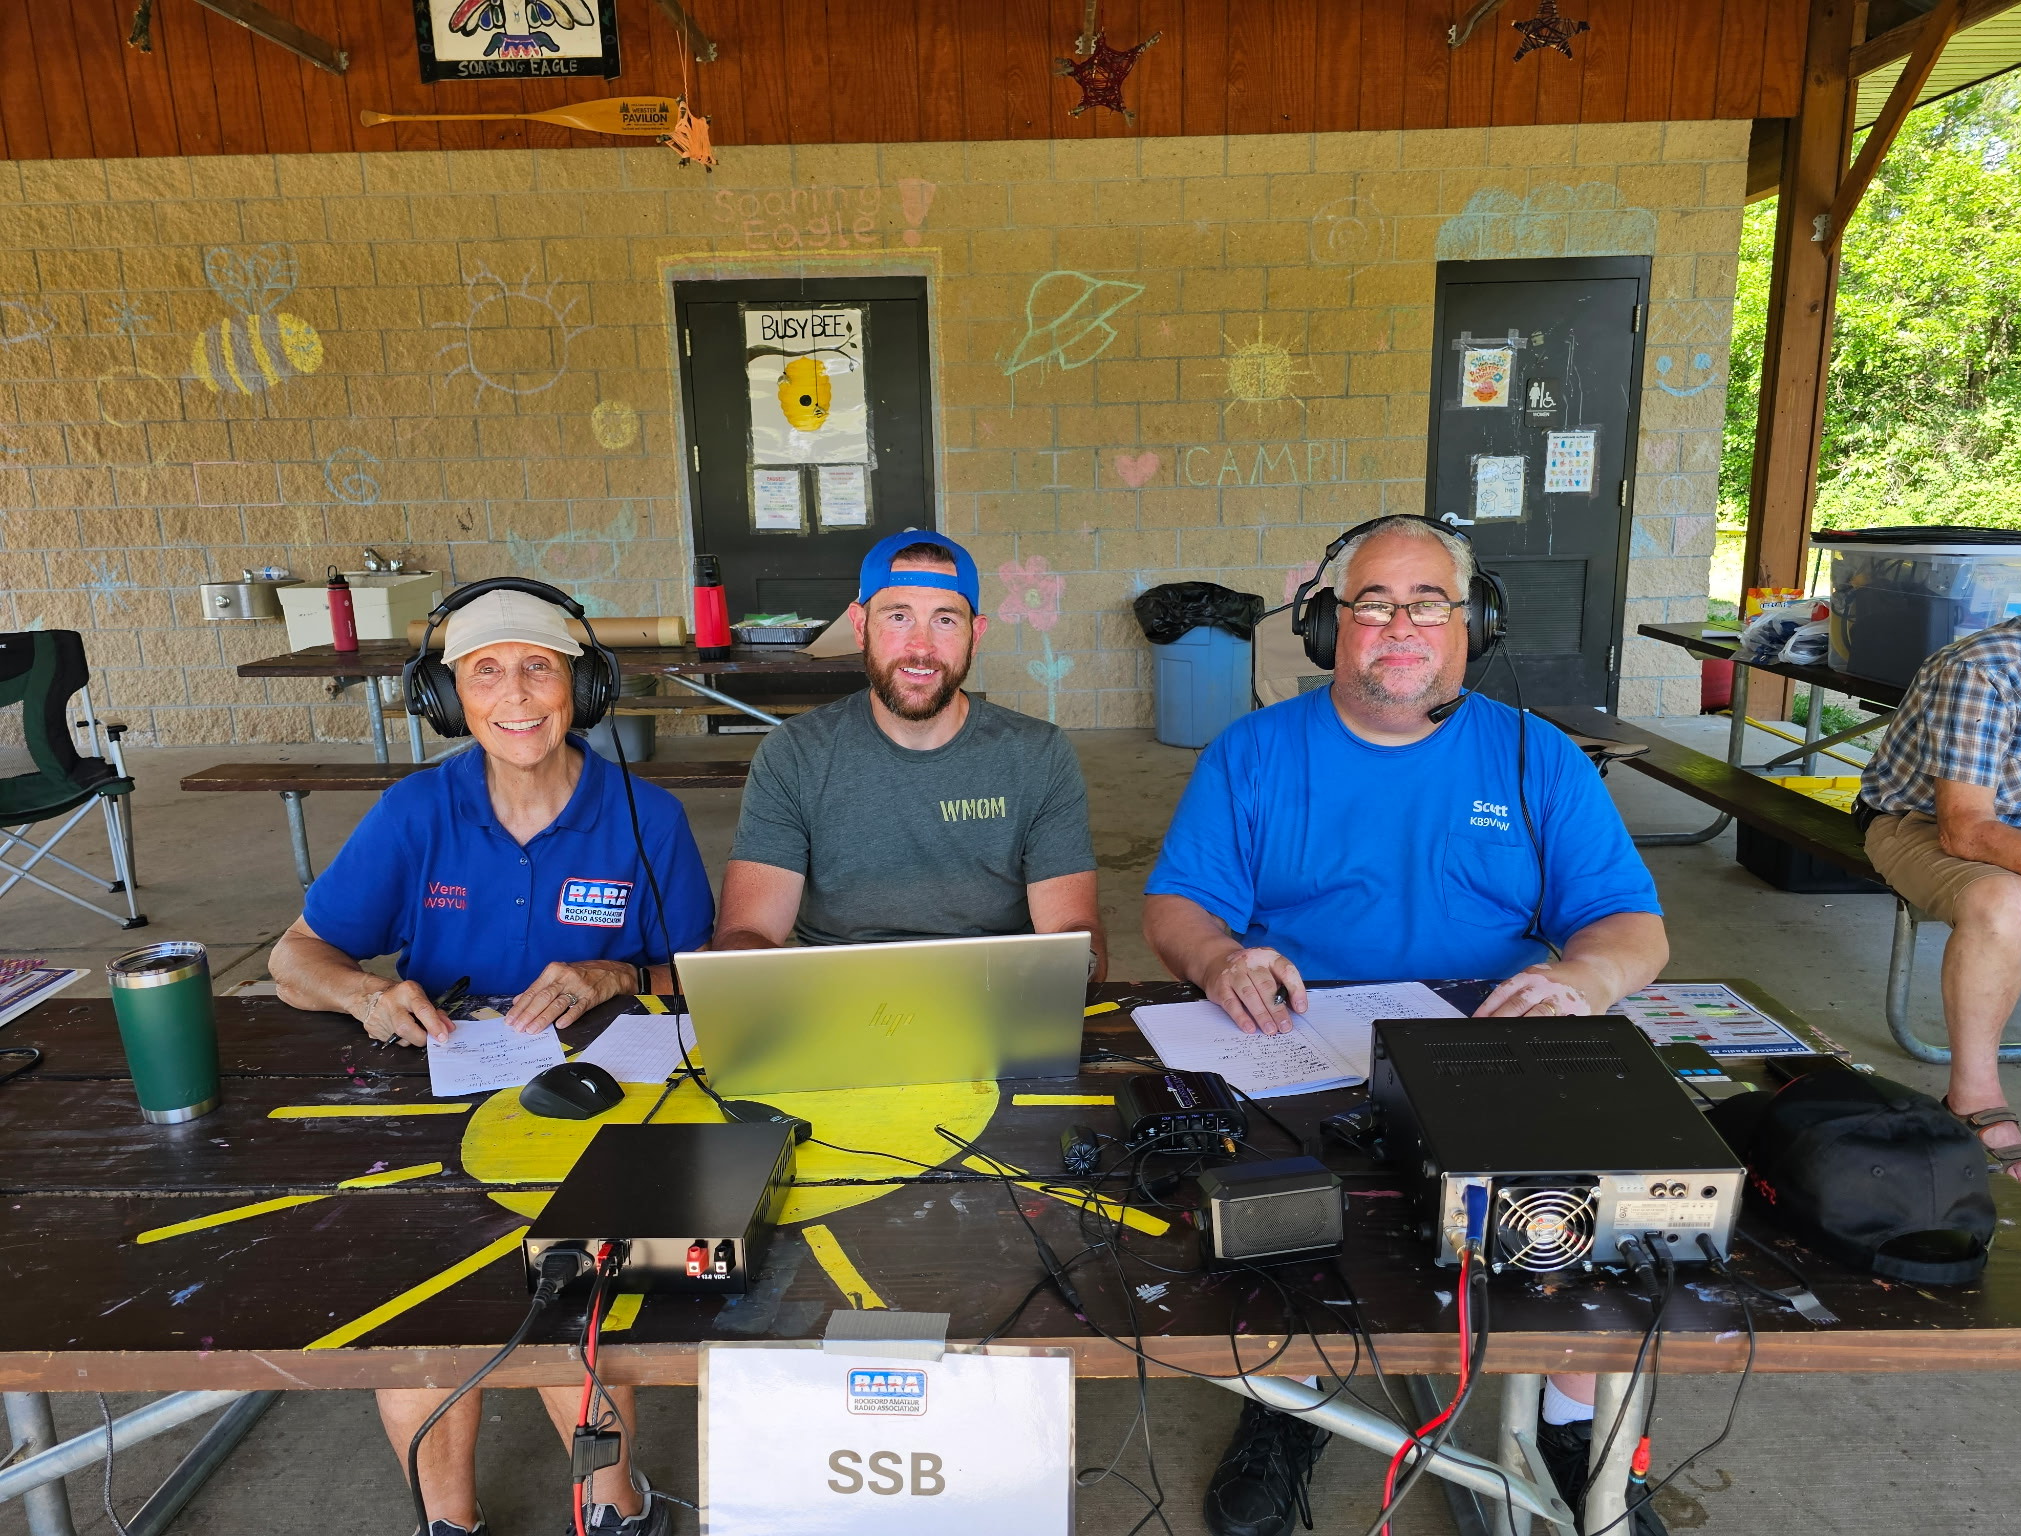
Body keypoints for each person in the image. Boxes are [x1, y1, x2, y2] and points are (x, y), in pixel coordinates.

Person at [1141, 516, 1668, 1536]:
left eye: (1428, 603)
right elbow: (1178, 906)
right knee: (1262, 1212)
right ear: (1325, 627)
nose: (1400, 626)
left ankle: (1570, 1426)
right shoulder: (1253, 752)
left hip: (1491, 1043)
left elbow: (1629, 924)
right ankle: (1287, 1401)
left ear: (1474, 624)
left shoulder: (1538, 757)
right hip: (1290, 1039)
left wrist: (1584, 976)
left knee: (1585, 1215)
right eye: (1373, 603)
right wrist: (1217, 960)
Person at [270, 584, 713, 1536]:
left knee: (578, 1302)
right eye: (485, 672)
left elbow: (700, 976)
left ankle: (610, 1508)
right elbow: (295, 959)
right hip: (438, 1089)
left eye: (539, 668)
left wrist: (616, 973)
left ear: (583, 688)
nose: (515, 694)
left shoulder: (648, 816)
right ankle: (448, 1522)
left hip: (603, 1100)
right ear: (448, 699)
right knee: (419, 1315)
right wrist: (367, 996)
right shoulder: (414, 813)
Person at [712, 529, 1104, 969]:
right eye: (898, 617)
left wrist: (1076, 967)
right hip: (840, 985)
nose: (921, 647)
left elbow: (1073, 931)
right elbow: (748, 929)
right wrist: (752, 968)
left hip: (995, 984)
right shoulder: (796, 753)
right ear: (860, 626)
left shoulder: (1038, 754)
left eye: (945, 620)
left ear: (976, 634)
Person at [1858, 578, 2021, 1190]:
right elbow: (1966, 830)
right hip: (1920, 823)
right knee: (2008, 902)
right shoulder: (1984, 669)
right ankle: (1974, 1099)